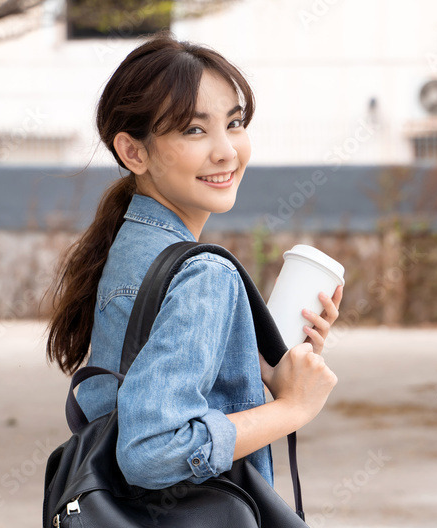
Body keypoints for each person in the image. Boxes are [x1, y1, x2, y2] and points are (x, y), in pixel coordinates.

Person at [45, 33, 343, 490]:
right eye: (194, 129)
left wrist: (255, 363)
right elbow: (151, 450)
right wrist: (292, 409)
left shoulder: (127, 241)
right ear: (133, 151)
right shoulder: (203, 273)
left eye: (235, 122)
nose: (226, 150)